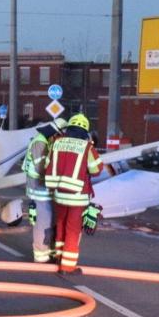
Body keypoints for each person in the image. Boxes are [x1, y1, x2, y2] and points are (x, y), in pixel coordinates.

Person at [44, 114, 104, 273]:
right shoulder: (87, 147)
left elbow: (47, 164)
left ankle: (58, 257)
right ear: (85, 131)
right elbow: (96, 170)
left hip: (59, 194)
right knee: (73, 229)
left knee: (61, 225)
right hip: (77, 196)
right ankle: (68, 266)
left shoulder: (56, 143)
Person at [22, 118, 67, 263]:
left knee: (50, 221)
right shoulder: (40, 142)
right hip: (39, 189)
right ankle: (41, 255)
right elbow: (42, 168)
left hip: (43, 188)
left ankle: (49, 250)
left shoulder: (44, 140)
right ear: (56, 133)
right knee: (43, 222)